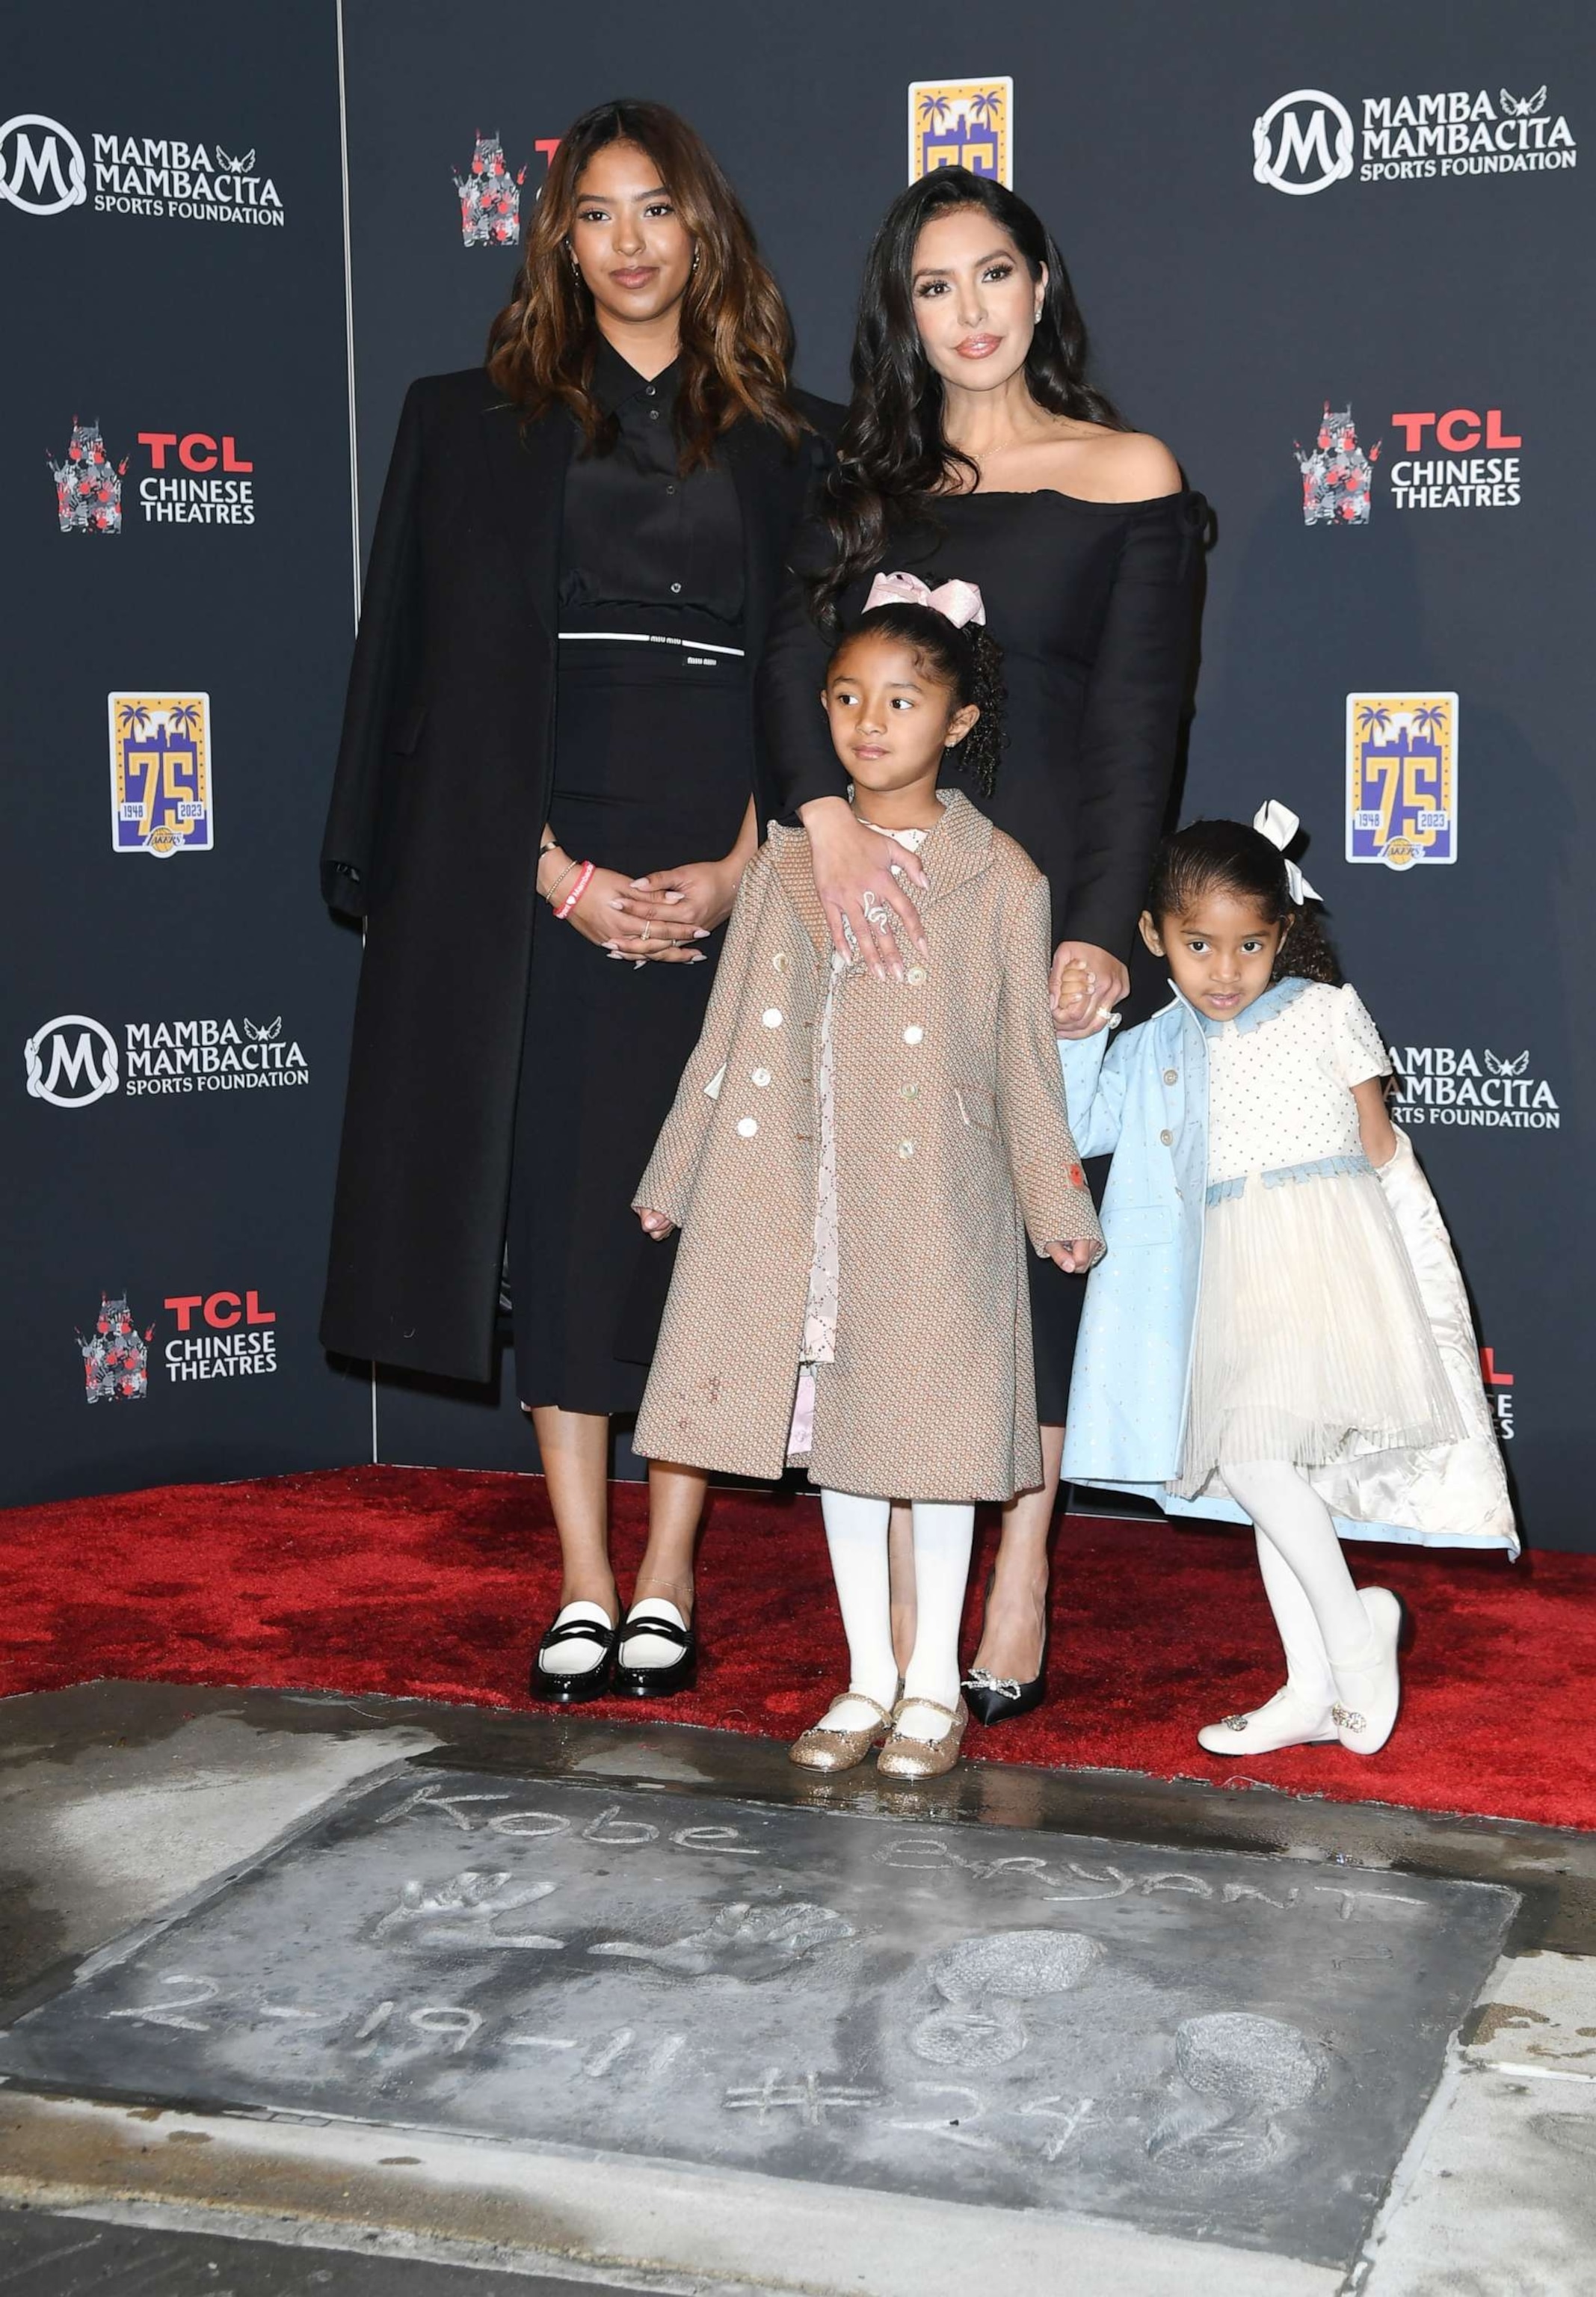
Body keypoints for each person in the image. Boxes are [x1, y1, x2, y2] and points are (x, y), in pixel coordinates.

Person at [318, 100, 839, 1704]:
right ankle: (582, 1576)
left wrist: (750, 866)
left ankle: (673, 1572)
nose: (626, 242)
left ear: (704, 234)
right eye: (595, 215)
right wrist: (551, 878)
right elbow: (424, 689)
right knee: (558, 1226)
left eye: (655, 211)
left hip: (723, 863)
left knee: (690, 1233)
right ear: (558, 241)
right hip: (535, 873)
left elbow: (814, 685)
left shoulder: (792, 440)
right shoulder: (463, 423)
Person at [757, 165, 1205, 1720]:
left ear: (1038, 289)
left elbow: (1140, 728)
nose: (966, 312)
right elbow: (784, 680)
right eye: (931, 286)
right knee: (894, 1254)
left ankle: (1018, 1561)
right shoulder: (857, 489)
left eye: (991, 274)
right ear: (901, 313)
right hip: (878, 918)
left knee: (1033, 1253)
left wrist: (1100, 932)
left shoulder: (1124, 472)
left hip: (1041, 920)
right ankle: (896, 1601)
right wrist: (817, 820)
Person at [629, 585, 1103, 1779]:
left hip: (934, 1203)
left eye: (901, 700)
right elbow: (728, 1029)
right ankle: (863, 1678)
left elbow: (1021, 1064)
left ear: (956, 720)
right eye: (845, 698)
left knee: (930, 1452)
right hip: (802, 1192)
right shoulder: (791, 854)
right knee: (837, 1450)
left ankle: (933, 1687)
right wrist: (674, 1169)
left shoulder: (999, 876)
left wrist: (1055, 1205)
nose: (868, 723)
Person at [1058, 805, 1518, 1756]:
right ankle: (1315, 1680)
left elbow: (1381, 1150)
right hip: (1213, 1284)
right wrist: (1075, 1035)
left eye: (1247, 945)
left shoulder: (1322, 1012)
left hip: (1319, 1270)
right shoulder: (1149, 1044)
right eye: (1196, 944)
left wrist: (1397, 1288)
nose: (1223, 971)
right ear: (1153, 937)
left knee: (1266, 1467)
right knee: (1266, 1478)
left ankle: (1351, 1639)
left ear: (1281, 936)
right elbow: (1075, 1134)